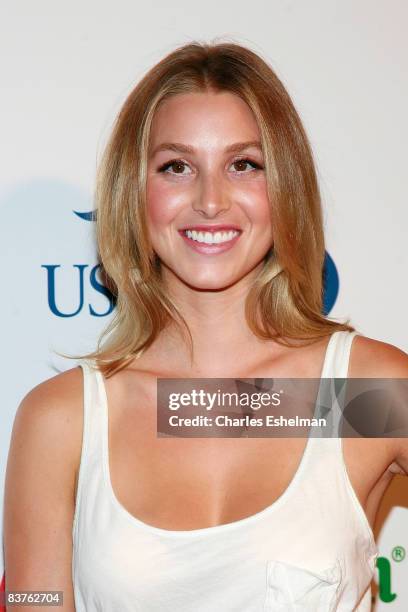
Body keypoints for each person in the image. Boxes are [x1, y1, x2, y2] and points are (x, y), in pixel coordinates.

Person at [3, 40, 408, 612]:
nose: (211, 201)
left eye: (244, 164)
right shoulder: (65, 418)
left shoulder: (359, 393)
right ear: (134, 192)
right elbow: (30, 597)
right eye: (177, 167)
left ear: (284, 185)